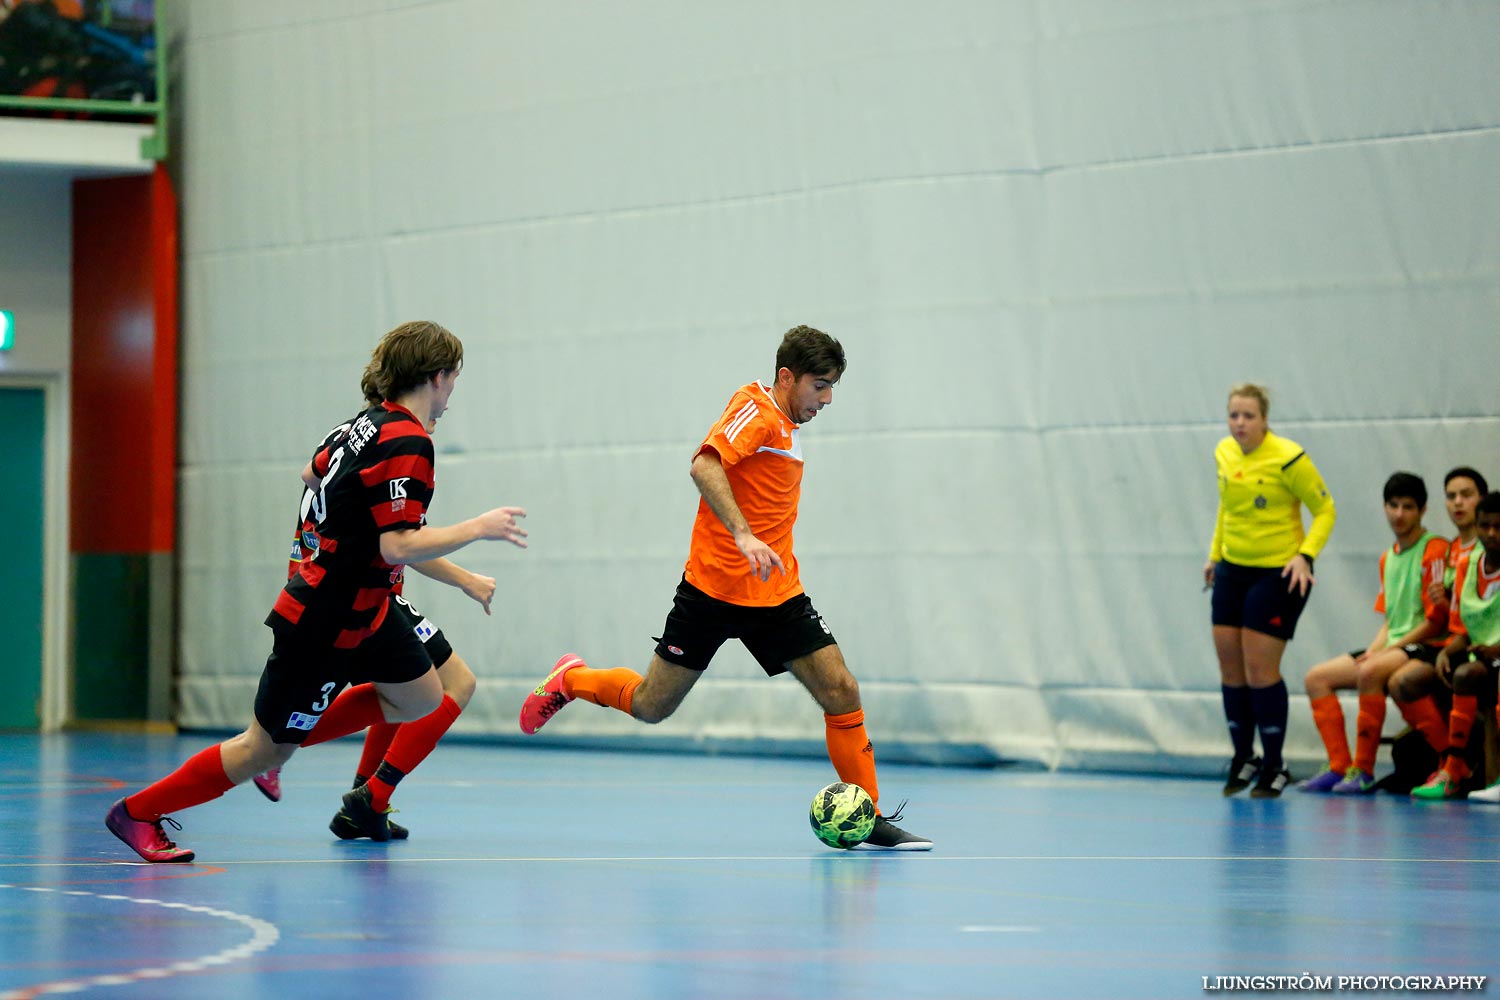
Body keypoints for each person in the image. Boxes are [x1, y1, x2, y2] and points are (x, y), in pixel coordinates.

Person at [105, 321, 528, 862]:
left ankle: (328, 767)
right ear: (437, 376)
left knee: (425, 696)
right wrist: (478, 527)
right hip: (323, 618)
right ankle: (137, 812)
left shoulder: (358, 426)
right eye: (452, 381)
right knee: (260, 749)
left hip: (369, 609)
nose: (451, 395)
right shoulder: (409, 440)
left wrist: (343, 527)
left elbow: (312, 475)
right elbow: (399, 545)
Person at [518, 325, 931, 850]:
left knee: (841, 689)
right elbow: (704, 463)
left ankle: (868, 816)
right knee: (651, 705)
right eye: (819, 385)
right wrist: (743, 534)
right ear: (787, 377)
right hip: (712, 590)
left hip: (775, 592)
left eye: (832, 388)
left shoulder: (786, 422)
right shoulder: (756, 409)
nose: (827, 399)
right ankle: (572, 680)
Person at [251, 377, 502, 841]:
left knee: (400, 694)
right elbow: (399, 545)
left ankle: (361, 801)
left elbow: (309, 476)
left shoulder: (348, 435)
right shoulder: (394, 446)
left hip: (330, 585)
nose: (442, 408)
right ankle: (280, 750)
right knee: (454, 684)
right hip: (351, 593)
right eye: (444, 391)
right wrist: (471, 555)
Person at [1204, 383, 1336, 798]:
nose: (1240, 424)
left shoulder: (1288, 457)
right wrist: (1214, 556)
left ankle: (1276, 764)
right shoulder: (1224, 453)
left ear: (1264, 420)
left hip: (1277, 574)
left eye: (1248, 416)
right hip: (1232, 568)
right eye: (1234, 416)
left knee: (1260, 669)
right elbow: (1227, 508)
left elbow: (1325, 510)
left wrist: (1305, 555)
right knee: (1231, 668)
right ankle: (1244, 756)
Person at [1297, 473, 1449, 793]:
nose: (1399, 514)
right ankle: (1339, 765)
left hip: (1426, 643)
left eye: (1408, 507)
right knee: (1316, 678)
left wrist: (1383, 654)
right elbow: (1390, 621)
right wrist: (1375, 649)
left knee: (1371, 672)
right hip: (1396, 645)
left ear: (1422, 510)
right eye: (1393, 506)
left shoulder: (1434, 549)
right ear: (1384, 507)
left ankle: (1364, 770)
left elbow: (1436, 622)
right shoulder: (1388, 557)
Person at [1403, 492, 1500, 800]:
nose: (1491, 534)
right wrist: (1447, 651)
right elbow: (1461, 627)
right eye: (1485, 526)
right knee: (1417, 681)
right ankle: (1453, 767)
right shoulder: (1467, 565)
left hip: (1494, 656)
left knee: (1471, 676)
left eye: (1499, 527)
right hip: (1481, 654)